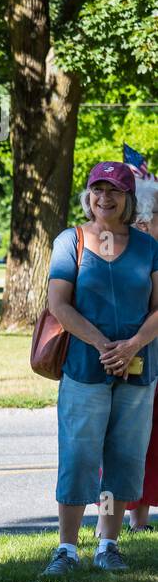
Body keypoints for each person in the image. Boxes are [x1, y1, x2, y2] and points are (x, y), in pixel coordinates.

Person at [43, 163, 158, 575]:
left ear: (129, 199)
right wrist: (101, 344)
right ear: (88, 195)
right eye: (98, 189)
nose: (104, 198)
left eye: (114, 191)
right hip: (84, 367)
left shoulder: (148, 247)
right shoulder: (69, 241)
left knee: (124, 456)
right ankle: (67, 549)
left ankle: (108, 544)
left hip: (138, 369)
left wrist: (132, 345)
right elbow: (58, 303)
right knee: (79, 455)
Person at [127, 177, 158, 532]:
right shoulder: (128, 257)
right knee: (123, 438)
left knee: (151, 441)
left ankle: (140, 518)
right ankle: (107, 520)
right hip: (131, 359)